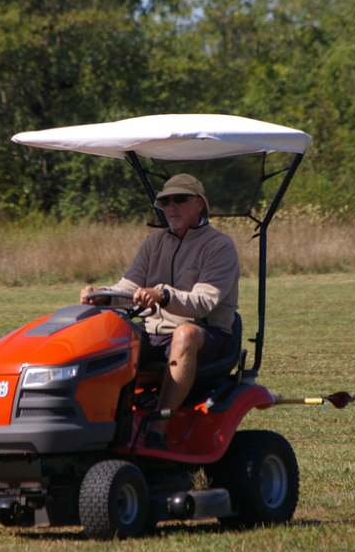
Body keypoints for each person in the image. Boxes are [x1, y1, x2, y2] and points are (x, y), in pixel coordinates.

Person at [80, 173, 240, 451]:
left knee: (185, 334)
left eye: (180, 199)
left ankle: (157, 430)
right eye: (165, 201)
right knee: (107, 333)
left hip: (209, 335)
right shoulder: (154, 243)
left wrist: (162, 295)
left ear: (200, 204)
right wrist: (103, 296)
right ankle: (94, 423)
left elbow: (203, 303)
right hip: (155, 332)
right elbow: (128, 285)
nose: (171, 207)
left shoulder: (220, 246)